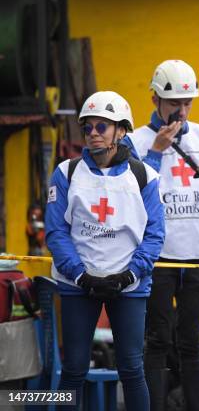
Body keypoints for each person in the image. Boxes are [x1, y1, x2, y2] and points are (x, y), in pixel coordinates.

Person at [45, 91, 165, 410]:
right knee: (73, 370)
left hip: (129, 286)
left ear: (121, 131)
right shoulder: (66, 172)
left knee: (132, 369)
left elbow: (155, 235)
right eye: (88, 128)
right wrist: (80, 276)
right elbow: (56, 232)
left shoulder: (144, 176)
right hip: (76, 285)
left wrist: (129, 275)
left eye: (102, 126)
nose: (93, 133)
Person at [129, 59, 199, 411]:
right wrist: (156, 153)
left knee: (191, 344)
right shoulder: (135, 142)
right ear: (156, 100)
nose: (183, 111)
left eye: (188, 103)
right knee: (157, 341)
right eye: (176, 103)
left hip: (198, 254)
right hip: (157, 258)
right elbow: (131, 198)